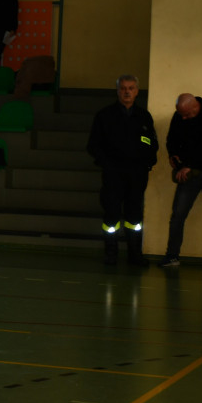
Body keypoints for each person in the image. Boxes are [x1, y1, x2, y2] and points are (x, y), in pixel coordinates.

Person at [86, 74, 158, 266]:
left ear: (137, 91)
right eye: (123, 88)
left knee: (134, 216)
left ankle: (135, 255)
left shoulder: (144, 116)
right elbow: (93, 145)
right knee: (111, 215)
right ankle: (111, 254)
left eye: (131, 88)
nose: (127, 91)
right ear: (118, 91)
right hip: (113, 174)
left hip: (137, 175)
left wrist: (148, 163)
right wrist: (106, 164)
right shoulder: (105, 116)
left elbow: (152, 143)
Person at [158, 93, 202, 267]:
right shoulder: (180, 115)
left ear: (195, 107)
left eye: (187, 114)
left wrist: (189, 164)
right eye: (181, 114)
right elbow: (172, 139)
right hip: (187, 173)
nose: (184, 118)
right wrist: (174, 156)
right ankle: (172, 255)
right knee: (178, 215)